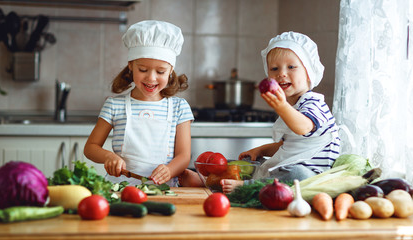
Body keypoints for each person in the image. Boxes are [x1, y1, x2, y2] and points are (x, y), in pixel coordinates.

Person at [180, 31, 340, 193]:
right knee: (259, 165)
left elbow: (303, 127)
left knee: (297, 174)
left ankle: (244, 187)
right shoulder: (293, 106)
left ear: (308, 73)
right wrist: (261, 150)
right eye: (274, 68)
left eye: (291, 67)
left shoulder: (313, 102)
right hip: (290, 168)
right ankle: (210, 182)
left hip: (313, 177)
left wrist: (282, 107)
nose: (281, 74)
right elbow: (289, 146)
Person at [84, 20, 194, 187]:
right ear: (131, 66)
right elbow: (91, 147)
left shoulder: (180, 108)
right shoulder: (114, 105)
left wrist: (170, 170)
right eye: (143, 69)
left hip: (164, 190)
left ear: (170, 69)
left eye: (160, 71)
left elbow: (184, 155)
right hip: (121, 189)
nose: (151, 78)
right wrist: (108, 156)